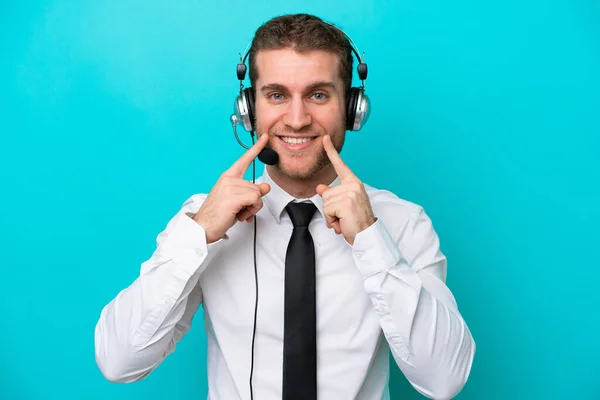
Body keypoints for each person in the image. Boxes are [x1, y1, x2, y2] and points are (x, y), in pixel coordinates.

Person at [94, 13, 475, 400]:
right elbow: (119, 362)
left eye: (319, 95)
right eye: (277, 95)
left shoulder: (401, 222)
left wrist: (371, 239)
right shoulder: (203, 218)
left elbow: (444, 380)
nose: (297, 119)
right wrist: (199, 233)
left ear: (352, 108)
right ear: (248, 108)